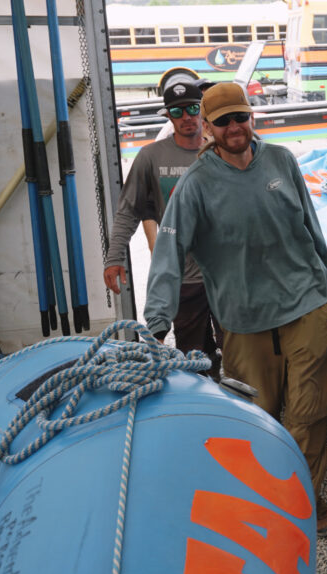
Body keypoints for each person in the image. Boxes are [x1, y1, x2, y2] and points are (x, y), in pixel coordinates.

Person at [143, 82, 327, 537]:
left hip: (307, 303)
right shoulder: (195, 184)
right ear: (208, 129)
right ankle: (265, 495)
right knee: (258, 415)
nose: (235, 128)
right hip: (243, 319)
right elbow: (167, 256)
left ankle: (302, 498)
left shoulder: (282, 161)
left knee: (310, 410)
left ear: (252, 118)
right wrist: (156, 324)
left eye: (241, 117)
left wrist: (326, 283)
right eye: (224, 121)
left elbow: (310, 225)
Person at [103, 80, 221, 377]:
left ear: (202, 111)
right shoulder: (150, 157)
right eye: (177, 111)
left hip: (226, 274)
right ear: (168, 115)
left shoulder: (221, 152)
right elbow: (128, 210)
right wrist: (115, 256)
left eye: (193, 109)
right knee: (191, 359)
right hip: (183, 276)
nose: (186, 117)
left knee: (242, 354)